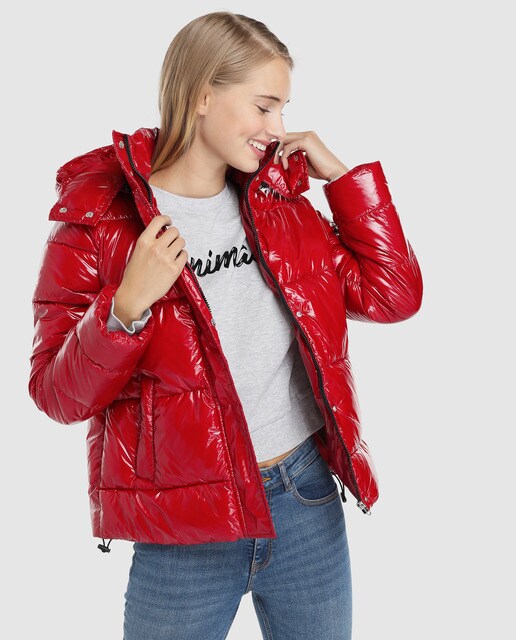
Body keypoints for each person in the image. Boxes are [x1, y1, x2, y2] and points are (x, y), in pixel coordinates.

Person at [28, 11, 423, 640]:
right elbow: (56, 395)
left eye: (283, 110)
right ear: (202, 95)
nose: (279, 130)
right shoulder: (97, 222)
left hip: (305, 500)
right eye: (264, 107)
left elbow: (392, 295)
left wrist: (344, 180)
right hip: (183, 531)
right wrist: (125, 307)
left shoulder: (278, 202)